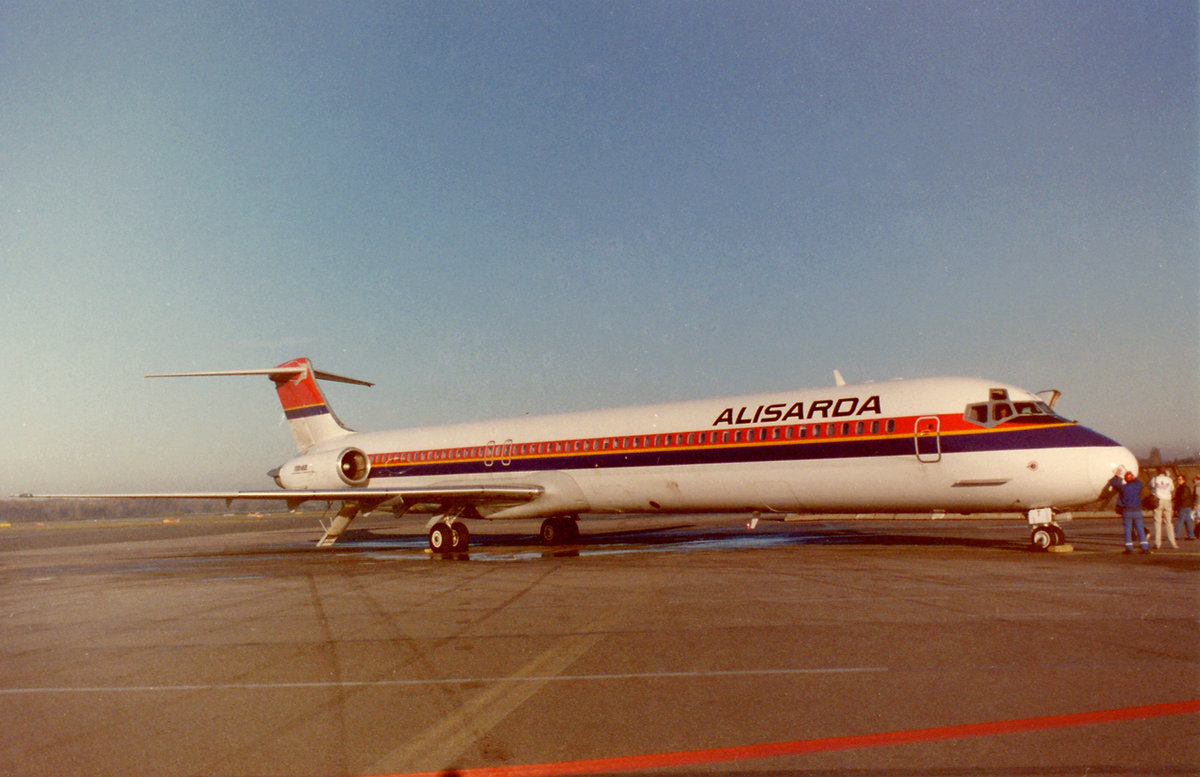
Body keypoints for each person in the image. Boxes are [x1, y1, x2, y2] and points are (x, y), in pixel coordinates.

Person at [1109, 469, 1150, 553]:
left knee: (1128, 530)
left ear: (1125, 479)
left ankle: (1129, 548)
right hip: (1137, 510)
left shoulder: (1123, 488)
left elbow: (1113, 484)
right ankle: (1145, 547)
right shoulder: (1137, 486)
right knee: (1140, 529)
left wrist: (1116, 475)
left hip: (1127, 511)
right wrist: (1132, 475)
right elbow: (1138, 482)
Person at [1150, 469, 1177, 549]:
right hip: (1167, 500)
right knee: (1169, 522)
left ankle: (1157, 543)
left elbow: (1150, 486)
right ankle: (1173, 542)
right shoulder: (1169, 479)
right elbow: (1172, 488)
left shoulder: (1154, 479)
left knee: (1157, 522)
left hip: (1158, 501)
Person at [1173, 474, 1194, 542]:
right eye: (1178, 479)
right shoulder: (1182, 487)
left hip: (1184, 506)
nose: (1178, 481)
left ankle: (1176, 535)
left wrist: (1176, 499)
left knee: (1180, 520)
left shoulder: (1183, 487)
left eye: (1180, 479)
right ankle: (1191, 536)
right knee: (1188, 521)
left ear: (1183, 480)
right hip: (1187, 506)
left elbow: (1183, 496)